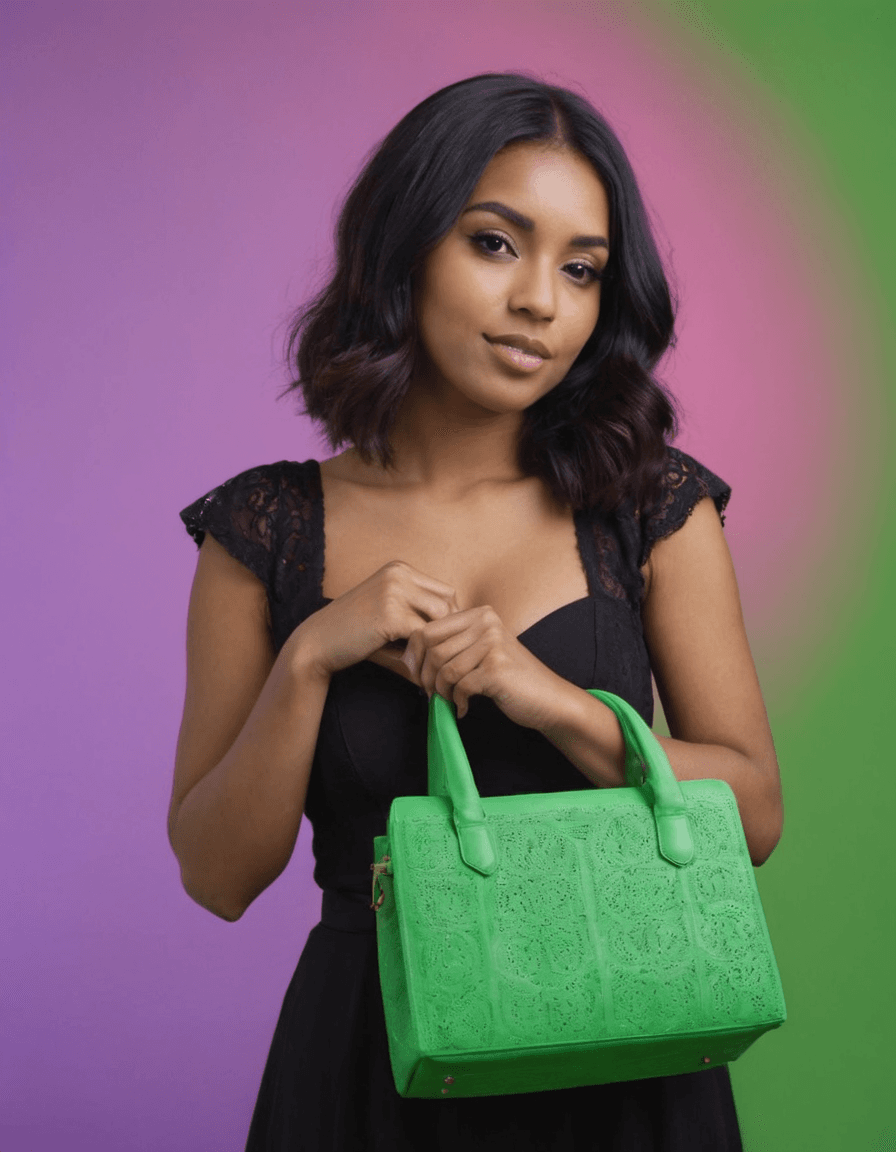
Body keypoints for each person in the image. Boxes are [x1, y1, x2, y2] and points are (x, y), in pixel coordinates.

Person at [169, 71, 782, 1151]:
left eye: (580, 268)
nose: (541, 301)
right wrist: (311, 655)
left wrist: (548, 700)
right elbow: (217, 877)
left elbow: (755, 814)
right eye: (495, 244)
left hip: (622, 1051)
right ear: (401, 248)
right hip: (374, 1063)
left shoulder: (648, 505)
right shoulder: (265, 528)